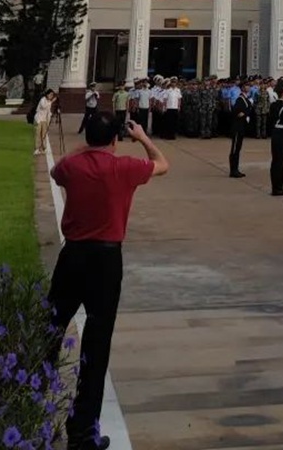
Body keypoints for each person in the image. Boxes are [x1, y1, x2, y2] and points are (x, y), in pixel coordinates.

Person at [48, 114, 169, 450]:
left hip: (71, 258)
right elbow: (162, 163)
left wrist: (87, 145)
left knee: (50, 329)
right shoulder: (125, 168)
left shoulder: (73, 167)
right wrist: (143, 137)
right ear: (115, 140)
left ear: (89, 137)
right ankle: (83, 430)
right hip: (105, 261)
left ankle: (34, 406)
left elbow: (58, 167)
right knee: (96, 345)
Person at [267, 77, 283, 195]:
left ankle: (274, 187)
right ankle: (279, 188)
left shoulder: (273, 106)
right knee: (281, 161)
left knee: (275, 161)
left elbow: (270, 121)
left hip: (275, 133)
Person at [228, 80, 251, 176]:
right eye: (246, 86)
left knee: (238, 149)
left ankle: (236, 169)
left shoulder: (246, 99)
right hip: (237, 127)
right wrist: (243, 113)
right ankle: (233, 170)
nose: (248, 87)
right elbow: (236, 111)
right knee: (235, 149)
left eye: (249, 86)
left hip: (242, 127)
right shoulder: (240, 99)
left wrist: (245, 114)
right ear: (242, 88)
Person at [35, 87, 55, 155]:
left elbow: (48, 111)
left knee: (44, 134)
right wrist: (51, 102)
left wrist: (49, 119)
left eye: (52, 95)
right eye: (50, 95)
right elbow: (43, 106)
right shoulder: (43, 100)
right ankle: (37, 148)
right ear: (47, 94)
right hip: (39, 119)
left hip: (45, 120)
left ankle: (43, 148)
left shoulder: (49, 102)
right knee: (38, 134)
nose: (51, 96)